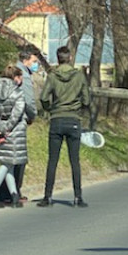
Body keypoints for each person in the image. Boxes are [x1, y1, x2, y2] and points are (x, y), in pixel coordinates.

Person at [37, 46, 91, 208]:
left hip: (57, 119)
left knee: (53, 160)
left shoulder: (53, 76)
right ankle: (78, 197)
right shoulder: (79, 76)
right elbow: (87, 100)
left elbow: (44, 97)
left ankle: (47, 197)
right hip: (73, 119)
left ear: (58, 58)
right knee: (75, 161)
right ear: (69, 57)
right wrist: (79, 107)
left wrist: (50, 109)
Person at [0, 49, 39, 204]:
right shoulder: (23, 75)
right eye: (34, 61)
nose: (36, 65)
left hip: (5, 117)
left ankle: (4, 191)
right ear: (26, 60)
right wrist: (32, 115)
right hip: (18, 119)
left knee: (7, 155)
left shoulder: (9, 71)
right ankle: (13, 191)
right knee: (18, 157)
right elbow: (28, 100)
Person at [0, 65, 28, 208]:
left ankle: (14, 195)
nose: (21, 80)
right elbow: (17, 113)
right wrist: (7, 128)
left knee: (9, 163)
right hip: (14, 132)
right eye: (20, 76)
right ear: (15, 77)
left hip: (0, 132)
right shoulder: (18, 93)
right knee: (6, 164)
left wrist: (1, 128)